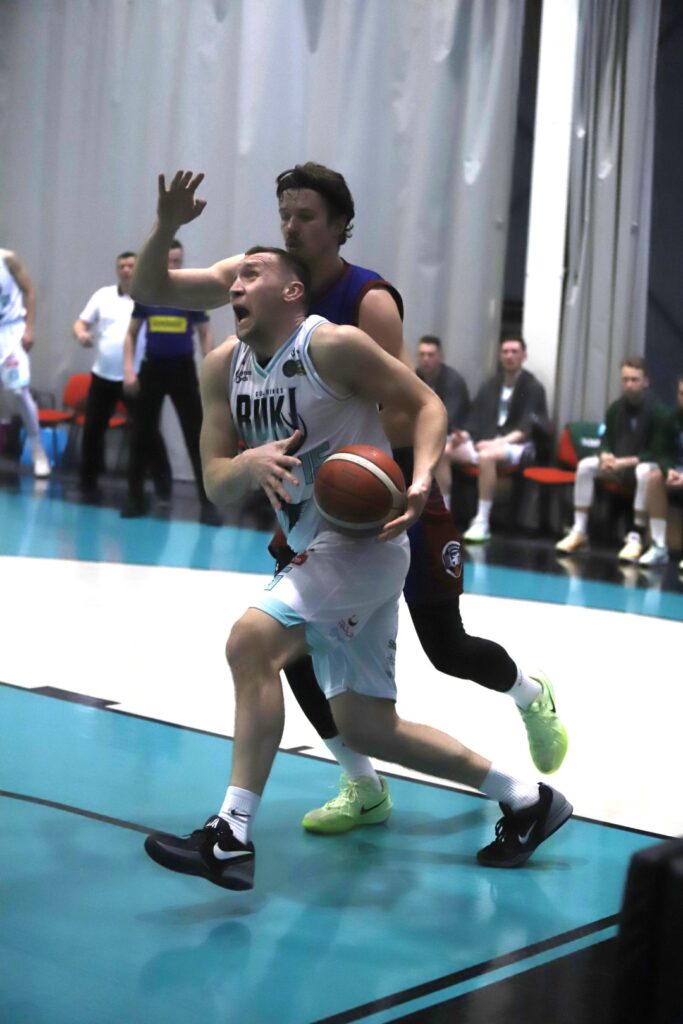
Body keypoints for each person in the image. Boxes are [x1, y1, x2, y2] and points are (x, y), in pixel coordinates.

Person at [131, 168, 568, 839]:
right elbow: (153, 289)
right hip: (312, 506)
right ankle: (374, 783)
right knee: (333, 692)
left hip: (380, 489)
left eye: (305, 216)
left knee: (442, 647)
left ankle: (528, 694)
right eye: (284, 213)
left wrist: (382, 468)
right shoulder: (252, 284)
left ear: (338, 226)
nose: (290, 227)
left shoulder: (363, 305)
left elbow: (402, 409)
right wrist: (167, 227)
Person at [121, 238, 221, 525]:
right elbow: (131, 334)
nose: (173, 265)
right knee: (141, 436)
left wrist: (208, 370)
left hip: (182, 370)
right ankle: (135, 498)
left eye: (177, 260)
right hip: (152, 368)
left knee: (196, 437)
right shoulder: (148, 293)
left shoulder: (190, 293)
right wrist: (128, 371)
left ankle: (208, 504)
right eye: (169, 260)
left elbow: (205, 333)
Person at [73, 251, 172, 500]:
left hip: (135, 377)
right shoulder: (103, 295)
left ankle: (163, 488)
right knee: (92, 430)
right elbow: (80, 323)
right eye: (122, 266)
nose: (126, 270)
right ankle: (87, 484)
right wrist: (81, 334)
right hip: (103, 376)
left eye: (131, 265)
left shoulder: (149, 297)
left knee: (149, 432)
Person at [556, 356, 668, 562]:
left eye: (634, 380)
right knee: (585, 466)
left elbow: (657, 452)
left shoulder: (658, 411)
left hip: (641, 465)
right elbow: (606, 439)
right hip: (617, 464)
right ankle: (579, 530)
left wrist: (623, 462)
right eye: (625, 380)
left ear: (646, 382)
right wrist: (605, 454)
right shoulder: (616, 408)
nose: (629, 384)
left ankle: (636, 536)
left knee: (645, 471)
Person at [444, 335, 549, 543]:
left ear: (524, 356)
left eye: (514, 351)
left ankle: (482, 520)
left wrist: (496, 443)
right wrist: (462, 436)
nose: (509, 356)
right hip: (486, 443)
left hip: (517, 447)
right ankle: (444, 514)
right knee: (444, 451)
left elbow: (525, 430)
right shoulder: (490, 385)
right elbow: (474, 420)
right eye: (505, 352)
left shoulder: (533, 387)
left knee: (487, 456)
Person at [0, 247, 50, 478]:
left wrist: (29, 329)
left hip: (11, 330)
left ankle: (38, 450)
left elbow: (29, 290)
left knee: (19, 391)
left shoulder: (7, 258)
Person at [415, 334, 470, 509]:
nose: (426, 359)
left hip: (452, 435)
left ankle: (443, 506)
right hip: (424, 434)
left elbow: (449, 418)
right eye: (422, 354)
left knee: (439, 452)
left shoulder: (453, 380)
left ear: (440, 356)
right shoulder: (415, 377)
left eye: (430, 354)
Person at [638, 373, 683, 568]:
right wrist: (668, 470)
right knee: (655, 479)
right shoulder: (670, 418)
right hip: (678, 471)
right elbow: (661, 452)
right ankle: (659, 546)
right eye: (681, 393)